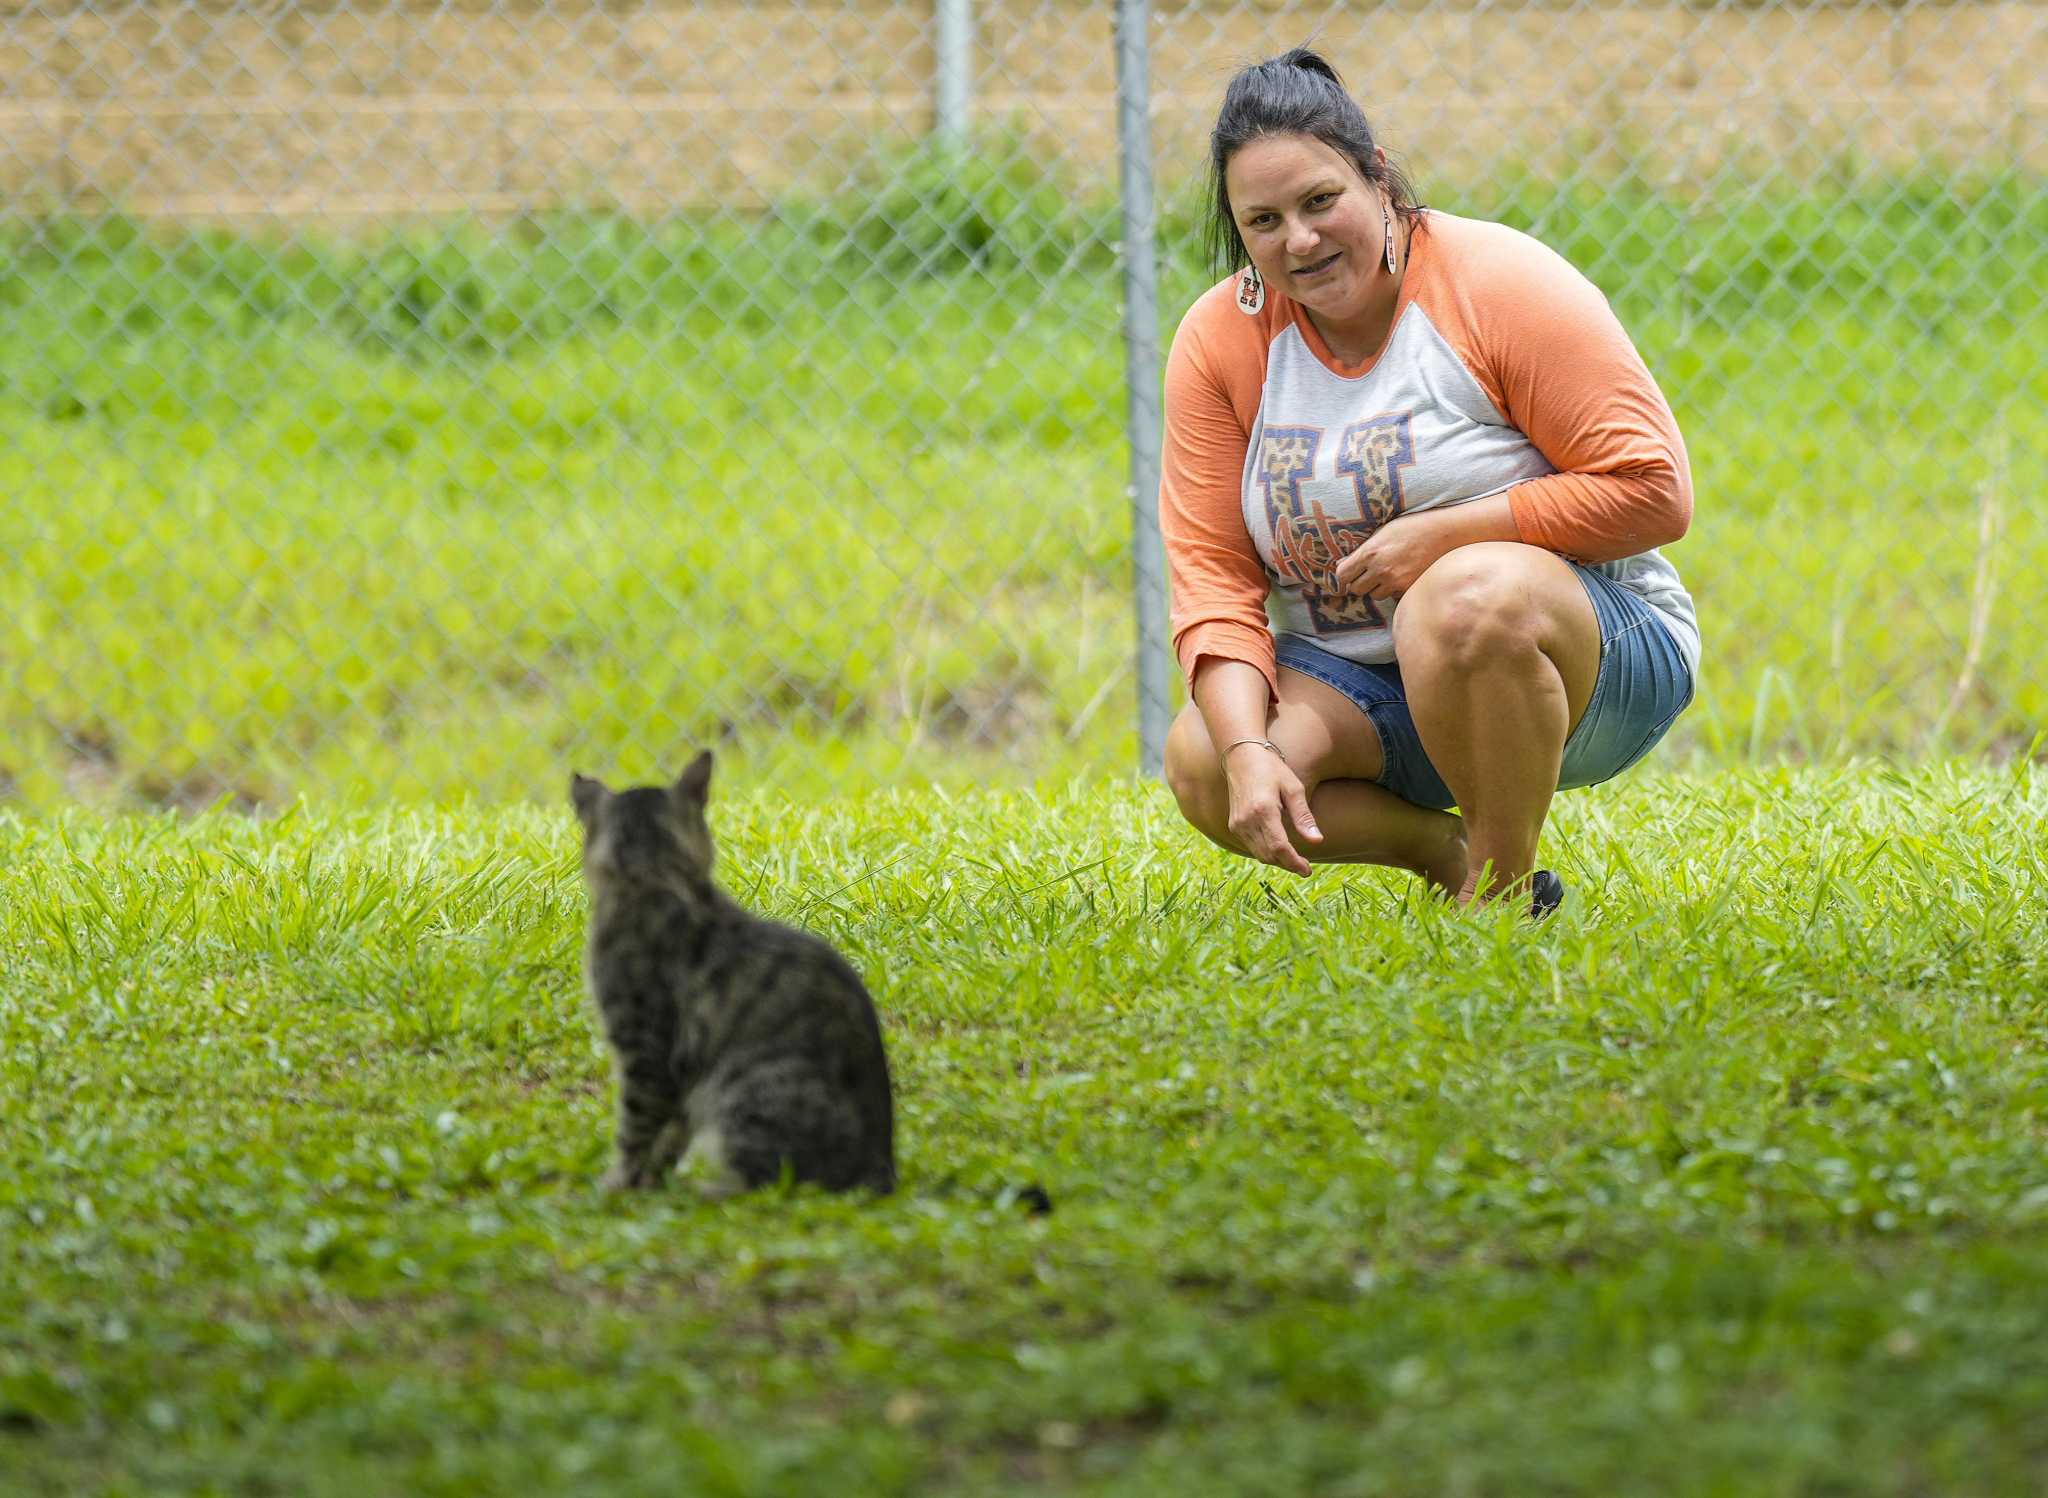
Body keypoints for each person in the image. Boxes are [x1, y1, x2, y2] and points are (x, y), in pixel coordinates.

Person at [1160, 46, 1699, 915]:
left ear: (1378, 180)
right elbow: (1214, 577)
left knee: (1462, 596)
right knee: (1204, 759)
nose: (1298, 240)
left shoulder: (1498, 281)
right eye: (1263, 221)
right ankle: (1453, 861)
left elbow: (1652, 489)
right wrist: (1245, 753)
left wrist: (1446, 534)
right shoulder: (1221, 339)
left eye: (1320, 200)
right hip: (1360, 682)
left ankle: (1500, 890)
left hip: (1581, 666)